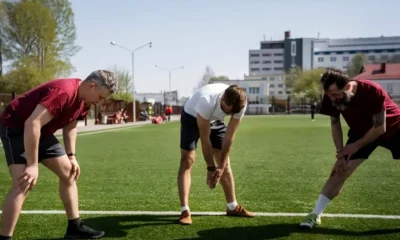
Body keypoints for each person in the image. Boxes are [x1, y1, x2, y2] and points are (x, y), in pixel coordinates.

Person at [0, 70, 118, 239]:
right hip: (17, 128)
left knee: (69, 173)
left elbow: (71, 126)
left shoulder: (84, 100)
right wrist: (32, 165)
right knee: (23, 183)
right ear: (92, 86)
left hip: (41, 132)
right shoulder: (64, 92)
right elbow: (32, 123)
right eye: (100, 97)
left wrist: (72, 156)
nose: (99, 102)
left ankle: (74, 227)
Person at [299, 68, 400, 229]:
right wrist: (341, 155)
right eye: (329, 95)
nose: (332, 98)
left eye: (335, 94)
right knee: (340, 170)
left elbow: (379, 128)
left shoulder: (373, 91)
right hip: (360, 131)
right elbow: (335, 124)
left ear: (347, 87)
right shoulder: (331, 95)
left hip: (394, 128)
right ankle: (315, 214)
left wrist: (355, 146)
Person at [178, 83, 255, 225]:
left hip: (214, 119)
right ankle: (185, 210)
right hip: (192, 116)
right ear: (223, 100)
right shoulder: (206, 101)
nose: (230, 115)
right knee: (187, 160)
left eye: (232, 113)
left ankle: (232, 206)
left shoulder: (240, 104)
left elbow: (229, 137)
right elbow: (205, 138)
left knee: (224, 162)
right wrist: (210, 168)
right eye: (228, 111)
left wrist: (220, 166)